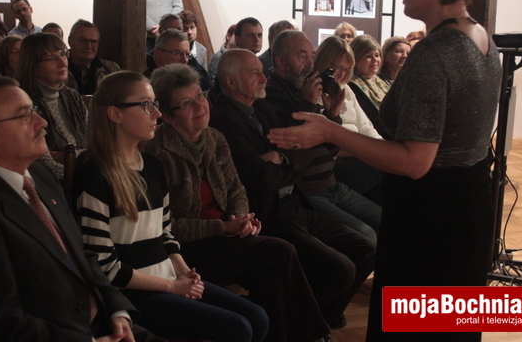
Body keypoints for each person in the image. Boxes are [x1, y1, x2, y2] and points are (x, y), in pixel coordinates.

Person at [267, 0, 501, 342]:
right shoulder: (482, 38)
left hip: (430, 216)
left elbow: (415, 161)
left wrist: (330, 132)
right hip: (468, 205)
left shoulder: (435, 53)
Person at [0, 76, 163, 342]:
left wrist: (118, 312)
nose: (41, 122)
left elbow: (83, 255)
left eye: (34, 110)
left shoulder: (39, 175)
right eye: (24, 116)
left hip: (103, 322)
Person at [75, 71, 270, 342]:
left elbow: (165, 234)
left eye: (155, 104)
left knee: (258, 317)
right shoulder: (95, 174)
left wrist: (185, 272)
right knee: (238, 328)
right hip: (130, 294)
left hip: (166, 277)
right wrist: (171, 286)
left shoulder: (153, 166)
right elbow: (104, 266)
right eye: (146, 105)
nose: (156, 113)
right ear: (115, 114)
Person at [146, 64, 333, 342]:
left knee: (271, 284)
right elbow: (166, 227)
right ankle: (314, 336)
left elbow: (236, 189)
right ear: (168, 117)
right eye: (186, 103)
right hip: (186, 250)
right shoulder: (156, 153)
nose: (200, 106)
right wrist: (223, 228)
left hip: (226, 238)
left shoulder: (214, 139)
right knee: (282, 250)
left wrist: (241, 218)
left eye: (200, 96)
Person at [210, 49, 376, 334]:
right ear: (230, 81)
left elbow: (309, 151)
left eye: (262, 72)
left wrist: (283, 156)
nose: (264, 77)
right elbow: (263, 178)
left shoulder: (259, 108)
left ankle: (315, 322)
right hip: (269, 212)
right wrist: (288, 157)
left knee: (366, 249)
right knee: (341, 268)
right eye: (255, 73)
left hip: (294, 199)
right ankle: (306, 329)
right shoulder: (225, 119)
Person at [261, 30, 381, 242]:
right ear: (280, 62)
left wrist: (333, 115)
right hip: (307, 192)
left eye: (312, 56)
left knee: (386, 220)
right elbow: (293, 149)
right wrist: (308, 104)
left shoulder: (303, 89)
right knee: (366, 235)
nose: (310, 64)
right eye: (302, 57)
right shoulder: (270, 96)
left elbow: (329, 148)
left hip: (332, 184)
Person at [312, 36, 383, 203]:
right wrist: (365, 150)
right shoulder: (312, 91)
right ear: (322, 62)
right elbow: (324, 144)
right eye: (336, 67)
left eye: (346, 69)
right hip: (338, 160)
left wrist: (381, 150)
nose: (341, 74)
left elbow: (366, 127)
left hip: (359, 152)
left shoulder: (346, 89)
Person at [15, 33, 87, 179]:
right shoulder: (23, 103)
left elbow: (96, 147)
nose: (62, 62)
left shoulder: (72, 96)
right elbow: (47, 167)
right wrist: (82, 162)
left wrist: (67, 157)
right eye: (51, 58)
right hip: (47, 185)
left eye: (63, 54)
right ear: (33, 66)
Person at [348, 34, 391, 139]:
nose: (375, 60)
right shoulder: (351, 85)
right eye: (368, 56)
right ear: (355, 58)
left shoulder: (381, 81)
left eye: (377, 55)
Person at [144, 29, 209, 91]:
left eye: (187, 54)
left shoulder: (190, 80)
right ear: (159, 54)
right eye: (178, 53)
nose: (185, 60)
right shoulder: (146, 86)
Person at [67, 19, 120, 95]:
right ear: (70, 41)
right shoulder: (57, 69)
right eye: (83, 40)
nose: (88, 46)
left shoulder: (112, 70)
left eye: (93, 41)